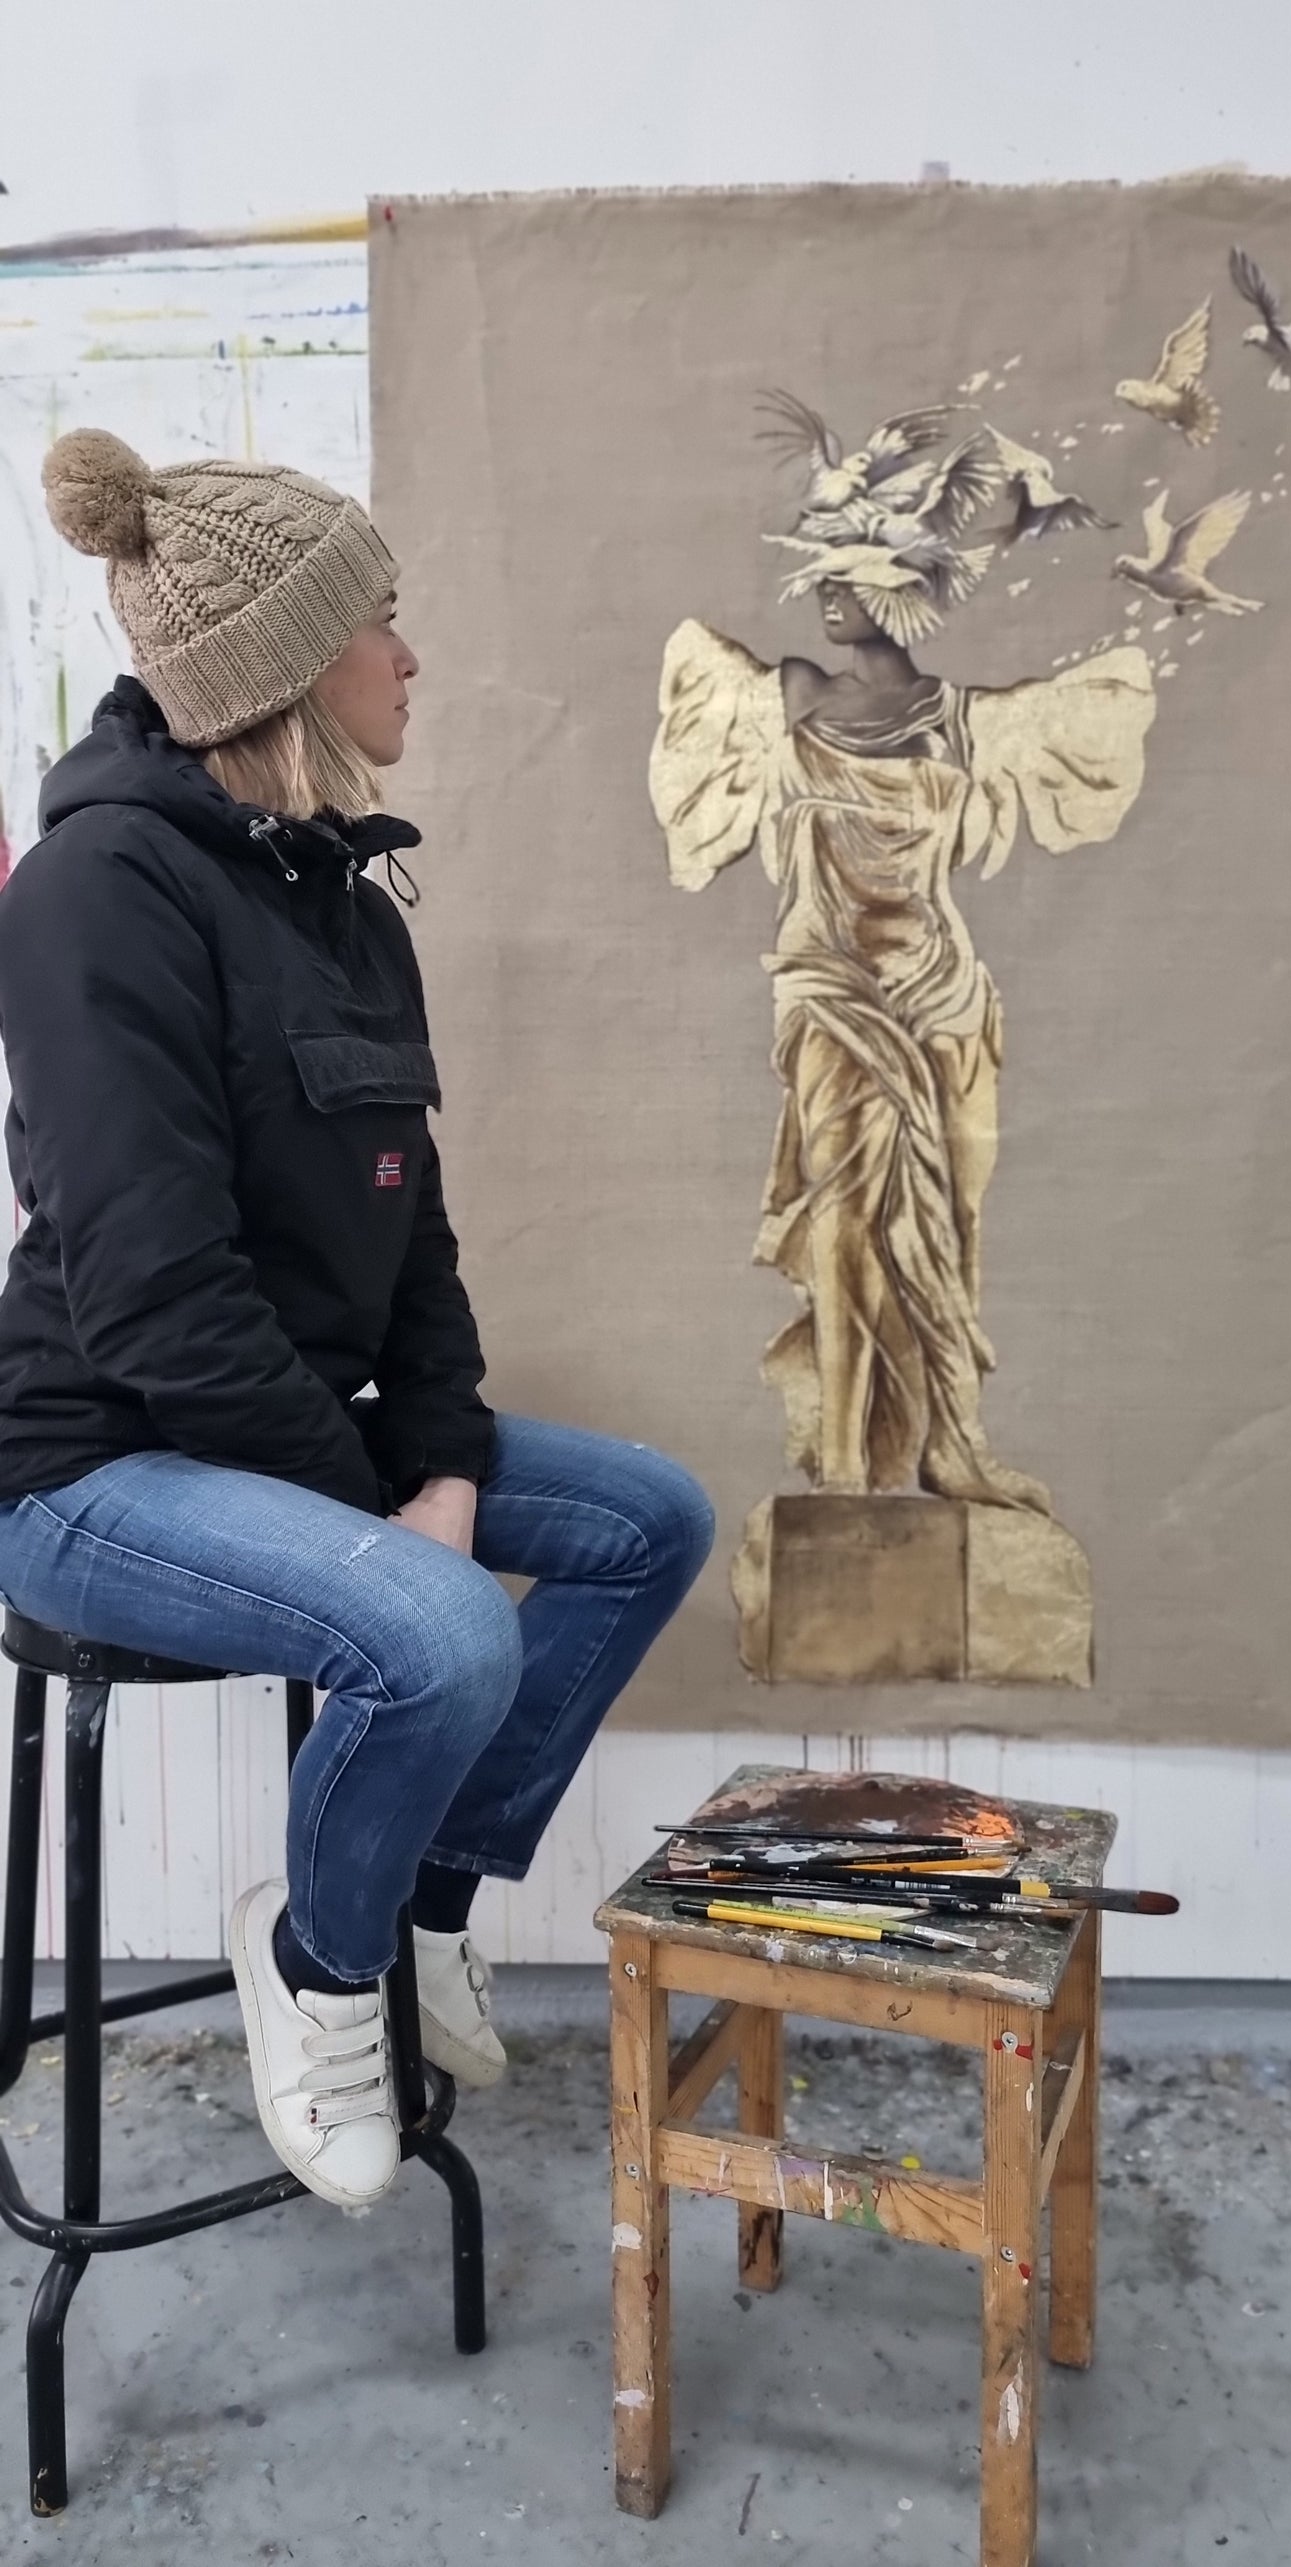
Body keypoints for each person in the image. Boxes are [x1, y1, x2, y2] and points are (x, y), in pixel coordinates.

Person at [0, 430, 714, 2211]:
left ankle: (411, 1905)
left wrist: (444, 1463)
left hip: (279, 1428)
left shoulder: (342, 897)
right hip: (91, 1465)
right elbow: (155, 1297)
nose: (412, 655)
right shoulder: (97, 895)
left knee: (648, 1517)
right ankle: (317, 1961)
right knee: (445, 1627)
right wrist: (382, 1512)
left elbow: (417, 1242)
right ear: (291, 662)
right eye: (380, 621)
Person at [650, 394, 1156, 1512]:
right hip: (830, 992)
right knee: (841, 1219)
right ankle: (839, 1454)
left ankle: (951, 1443)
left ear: (902, 589)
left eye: (847, 572)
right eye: (820, 573)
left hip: (942, 996)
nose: (824, 592)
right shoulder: (786, 701)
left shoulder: (967, 722)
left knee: (952, 1222)